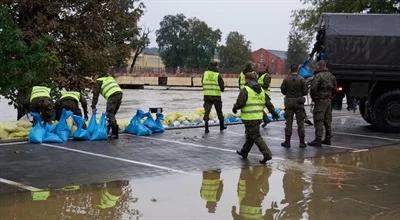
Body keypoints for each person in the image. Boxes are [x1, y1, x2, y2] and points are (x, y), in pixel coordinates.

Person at [233, 72, 273, 164]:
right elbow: (268, 103)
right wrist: (273, 112)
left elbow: (240, 103)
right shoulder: (261, 90)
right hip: (258, 117)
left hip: (249, 117)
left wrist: (234, 108)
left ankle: (267, 155)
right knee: (250, 135)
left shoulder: (245, 89)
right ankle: (244, 152)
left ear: (247, 79)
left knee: (256, 136)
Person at [308, 60, 337, 147]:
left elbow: (313, 89)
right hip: (328, 101)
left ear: (320, 66)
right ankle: (328, 139)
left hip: (320, 100)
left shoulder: (318, 76)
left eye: (317, 66)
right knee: (327, 120)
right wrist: (332, 96)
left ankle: (318, 139)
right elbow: (335, 88)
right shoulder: (331, 76)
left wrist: (314, 97)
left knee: (318, 120)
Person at [280, 64, 308, 148]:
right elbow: (305, 92)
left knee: (289, 123)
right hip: (299, 102)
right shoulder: (302, 79)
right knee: (300, 123)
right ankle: (302, 143)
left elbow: (283, 90)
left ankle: (287, 142)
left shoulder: (286, 79)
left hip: (289, 102)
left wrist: (289, 94)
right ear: (297, 70)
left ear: (290, 69)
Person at [91, 73, 123, 139]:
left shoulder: (99, 81)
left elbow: (95, 95)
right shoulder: (109, 78)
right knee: (112, 114)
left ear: (96, 77)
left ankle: (114, 133)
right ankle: (109, 128)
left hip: (112, 95)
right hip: (120, 93)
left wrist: (93, 106)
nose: (93, 80)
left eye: (93, 78)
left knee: (109, 114)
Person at [202, 62, 226, 133]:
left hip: (207, 96)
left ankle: (206, 129)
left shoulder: (205, 74)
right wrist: (222, 89)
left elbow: (202, 82)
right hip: (216, 96)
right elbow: (222, 86)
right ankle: (222, 127)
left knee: (207, 112)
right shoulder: (217, 75)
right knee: (219, 111)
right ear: (215, 66)